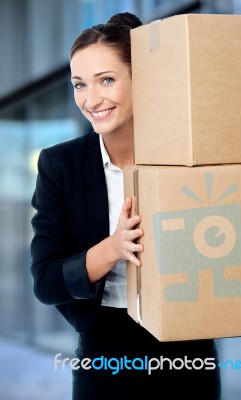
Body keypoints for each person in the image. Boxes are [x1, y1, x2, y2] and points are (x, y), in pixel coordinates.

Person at [30, 12, 221, 400]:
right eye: (79, 84)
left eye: (107, 80)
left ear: (141, 79)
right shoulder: (60, 165)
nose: (91, 98)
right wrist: (113, 248)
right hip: (104, 351)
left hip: (187, 350)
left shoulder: (186, 157)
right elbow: (46, 283)